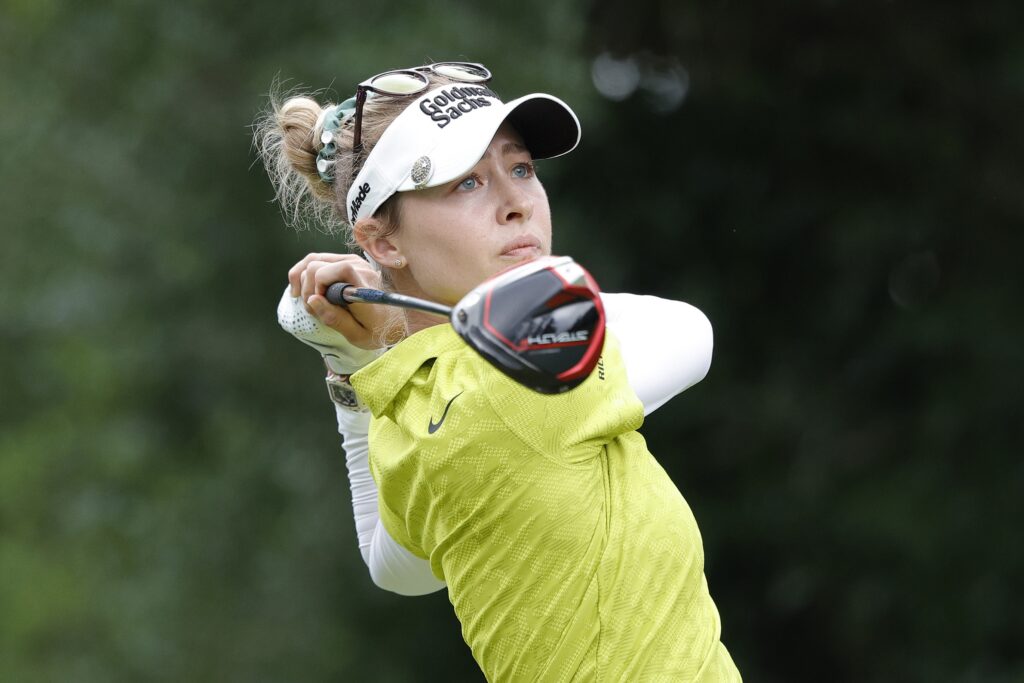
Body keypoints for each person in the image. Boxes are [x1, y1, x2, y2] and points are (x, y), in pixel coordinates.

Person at [256, 62, 741, 681]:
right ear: (381, 245)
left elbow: (395, 568)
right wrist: (407, 326)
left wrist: (350, 364)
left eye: (520, 169)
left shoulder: (412, 402)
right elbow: (692, 332)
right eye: (466, 183)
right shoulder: (520, 380)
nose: (517, 204)